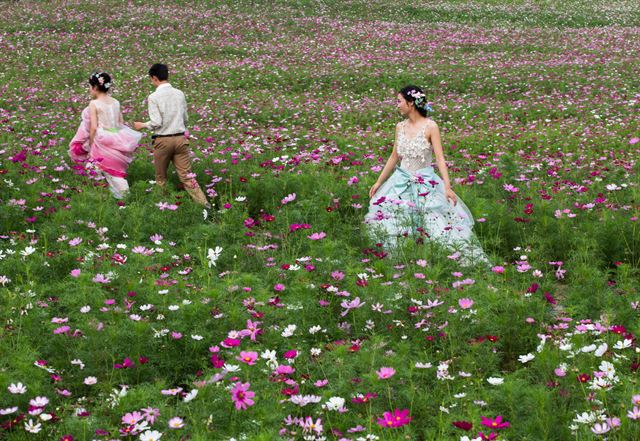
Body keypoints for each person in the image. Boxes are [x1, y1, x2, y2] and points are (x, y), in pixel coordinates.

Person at [364, 85, 489, 266]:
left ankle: (437, 262)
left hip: (425, 182)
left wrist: (447, 187)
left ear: (411, 103)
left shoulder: (431, 127)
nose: (397, 105)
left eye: (399, 101)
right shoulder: (400, 127)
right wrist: (379, 181)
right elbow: (394, 156)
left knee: (433, 223)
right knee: (397, 222)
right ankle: (404, 261)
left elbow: (439, 158)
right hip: (400, 181)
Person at [134, 63, 208, 206]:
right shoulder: (179, 93)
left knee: (161, 178)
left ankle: (165, 207)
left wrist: (142, 125)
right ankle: (204, 205)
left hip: (163, 141)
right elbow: (185, 118)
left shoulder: (154, 97)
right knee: (187, 177)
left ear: (154, 78)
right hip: (180, 139)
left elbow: (156, 122)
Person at [69, 72, 141, 199]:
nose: (89, 89)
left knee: (95, 167)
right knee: (115, 169)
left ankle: (100, 196)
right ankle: (122, 196)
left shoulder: (94, 103)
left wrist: (91, 143)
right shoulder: (116, 102)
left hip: (102, 138)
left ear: (95, 87)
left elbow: (93, 127)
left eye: (90, 87)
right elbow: (120, 123)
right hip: (116, 136)